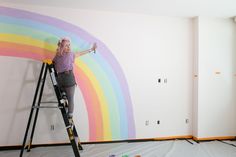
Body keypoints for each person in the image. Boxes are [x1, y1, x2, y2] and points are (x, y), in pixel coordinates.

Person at [53, 37, 97, 119]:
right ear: (62, 46)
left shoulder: (57, 56)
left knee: (64, 93)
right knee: (71, 100)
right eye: (66, 45)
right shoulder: (70, 54)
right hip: (68, 78)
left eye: (69, 45)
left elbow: (54, 64)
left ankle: (63, 94)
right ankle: (70, 117)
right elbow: (80, 54)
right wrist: (91, 49)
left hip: (59, 79)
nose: (69, 47)